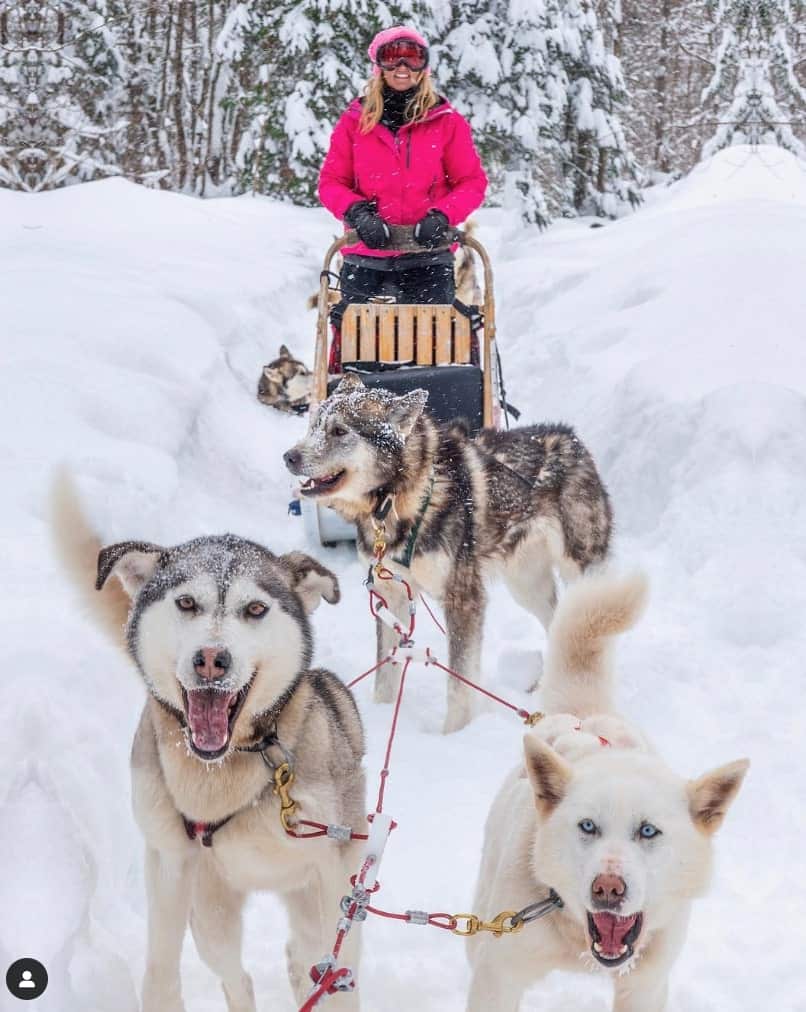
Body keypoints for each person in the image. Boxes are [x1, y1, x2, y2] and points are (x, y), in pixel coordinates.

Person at [318, 25, 488, 369]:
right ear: (378, 66)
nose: (402, 68)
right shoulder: (355, 122)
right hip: (366, 257)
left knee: (431, 356)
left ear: (424, 67)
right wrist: (357, 214)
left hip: (428, 257)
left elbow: (471, 182)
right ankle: (358, 398)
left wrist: (442, 215)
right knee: (361, 357)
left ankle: (436, 401)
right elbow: (331, 183)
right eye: (392, 58)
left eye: (413, 59)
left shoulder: (446, 122)